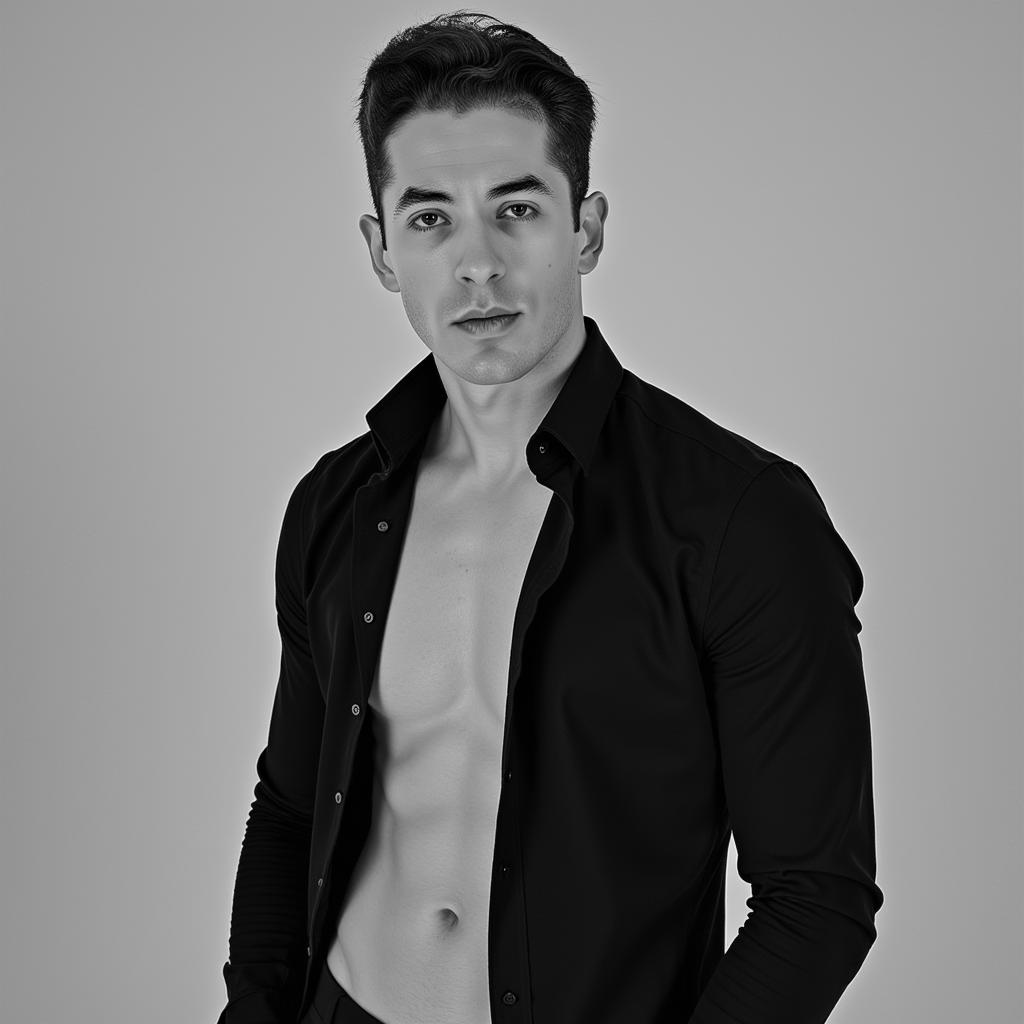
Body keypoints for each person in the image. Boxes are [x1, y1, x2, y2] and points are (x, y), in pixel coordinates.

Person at [217, 11, 883, 1024]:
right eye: (430, 219)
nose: (477, 263)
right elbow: (291, 807)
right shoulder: (334, 505)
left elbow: (815, 900)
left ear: (587, 228)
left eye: (517, 209)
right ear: (382, 250)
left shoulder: (741, 521)